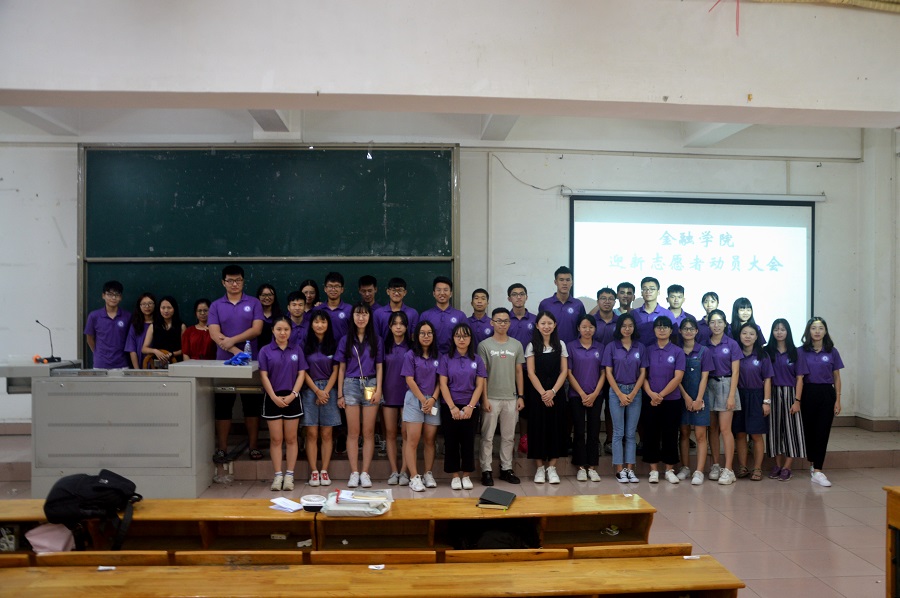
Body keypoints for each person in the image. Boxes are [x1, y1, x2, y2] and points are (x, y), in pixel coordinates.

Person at [208, 265, 265, 463]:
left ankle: (253, 446)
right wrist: (235, 351)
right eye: (230, 280)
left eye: (238, 280)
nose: (234, 284)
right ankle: (222, 448)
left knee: (251, 405)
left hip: (251, 364)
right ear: (223, 282)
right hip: (224, 364)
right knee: (223, 406)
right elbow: (214, 333)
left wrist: (232, 341)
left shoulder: (254, 303)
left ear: (243, 281)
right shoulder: (216, 305)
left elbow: (256, 329)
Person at [336, 302, 383, 488]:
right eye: (358, 314)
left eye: (364, 314)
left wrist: (379, 389)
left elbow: (379, 366)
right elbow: (341, 369)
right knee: (353, 432)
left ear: (370, 317)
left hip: (370, 384)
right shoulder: (345, 340)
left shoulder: (376, 339)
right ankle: (354, 472)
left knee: (368, 432)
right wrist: (340, 394)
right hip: (351, 384)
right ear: (352, 317)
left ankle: (365, 473)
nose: (361, 318)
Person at [259, 316, 307, 492]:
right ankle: (278, 475)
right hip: (273, 398)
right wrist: (273, 397)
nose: (282, 333)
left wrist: (293, 394)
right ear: (273, 330)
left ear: (291, 331)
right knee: (276, 439)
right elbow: (263, 375)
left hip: (292, 398)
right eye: (279, 329)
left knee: (291, 439)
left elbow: (301, 373)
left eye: (286, 329)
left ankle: (289, 476)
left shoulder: (297, 349)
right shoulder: (265, 350)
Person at [477, 307, 525, 486]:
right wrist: (484, 398)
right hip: (491, 397)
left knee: (508, 436)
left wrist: (521, 396)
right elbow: (482, 375)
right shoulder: (484, 345)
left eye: (505, 321)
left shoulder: (516, 345)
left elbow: (519, 372)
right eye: (498, 320)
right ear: (492, 322)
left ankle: (506, 468)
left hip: (511, 397)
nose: (502, 324)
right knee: (487, 437)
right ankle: (486, 470)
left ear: (509, 323)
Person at [438, 322, 487, 491]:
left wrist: (471, 406)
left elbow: (480, 385)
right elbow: (443, 384)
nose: (461, 339)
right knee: (451, 441)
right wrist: (452, 407)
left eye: (465, 336)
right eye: (458, 336)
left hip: (470, 406)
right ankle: (454, 476)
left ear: (470, 338)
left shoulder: (477, 359)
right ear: (453, 338)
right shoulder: (446, 358)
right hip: (449, 406)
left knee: (468, 441)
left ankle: (466, 475)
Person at [798, 316, 844, 487]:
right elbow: (798, 377)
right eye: (813, 328)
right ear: (808, 331)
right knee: (808, 431)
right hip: (807, 393)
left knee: (822, 431)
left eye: (820, 328)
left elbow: (837, 377)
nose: (817, 331)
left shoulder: (832, 351)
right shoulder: (801, 351)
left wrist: (838, 399)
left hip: (826, 394)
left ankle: (818, 469)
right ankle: (813, 462)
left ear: (825, 331)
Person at [525, 311, 569, 484]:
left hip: (556, 393)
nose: (546, 326)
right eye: (543, 323)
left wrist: (553, 392)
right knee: (537, 429)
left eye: (549, 323)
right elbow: (530, 373)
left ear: (555, 325)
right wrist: (544, 393)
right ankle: (539, 468)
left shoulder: (561, 344)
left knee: (556, 428)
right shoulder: (531, 345)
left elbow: (564, 371)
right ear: (537, 325)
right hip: (537, 394)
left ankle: (552, 467)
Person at [602, 313, 647, 483]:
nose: (627, 329)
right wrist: (620, 394)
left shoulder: (640, 347)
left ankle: (630, 469)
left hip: (635, 391)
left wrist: (633, 393)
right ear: (618, 328)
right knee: (618, 432)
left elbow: (643, 373)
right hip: (616, 392)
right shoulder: (611, 347)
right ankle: (619, 470)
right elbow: (608, 372)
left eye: (630, 326)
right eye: (624, 326)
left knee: (630, 433)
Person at [640, 316, 685, 484]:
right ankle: (653, 470)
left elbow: (678, 377)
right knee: (651, 433)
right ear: (654, 330)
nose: (662, 330)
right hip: (650, 399)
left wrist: (661, 395)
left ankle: (669, 469)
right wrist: (651, 394)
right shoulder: (647, 350)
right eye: (658, 327)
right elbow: (643, 375)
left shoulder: (677, 351)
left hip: (672, 400)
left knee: (670, 433)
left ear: (671, 330)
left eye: (665, 327)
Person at [764, 319, 808, 482]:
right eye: (776, 329)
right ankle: (777, 465)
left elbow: (800, 378)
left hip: (790, 394)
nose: (779, 332)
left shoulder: (796, 352)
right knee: (774, 430)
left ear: (788, 331)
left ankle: (787, 466)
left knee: (791, 431)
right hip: (773, 394)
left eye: (782, 329)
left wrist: (797, 401)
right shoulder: (767, 352)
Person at [402, 320, 441, 492]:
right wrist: (423, 400)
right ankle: (414, 477)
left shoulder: (438, 356)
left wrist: (432, 399)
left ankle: (427, 473)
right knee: (412, 440)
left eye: (429, 333)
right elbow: (409, 379)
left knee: (430, 440)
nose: (426, 336)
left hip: (433, 400)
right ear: (416, 336)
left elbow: (441, 381)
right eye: (422, 333)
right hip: (414, 399)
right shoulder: (410, 355)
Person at [302, 310, 340, 487]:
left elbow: (336, 370)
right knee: (311, 433)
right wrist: (317, 391)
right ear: (311, 324)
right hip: (310, 389)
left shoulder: (334, 344)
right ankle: (313, 471)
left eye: (323, 322)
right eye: (316, 322)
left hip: (329, 391)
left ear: (328, 324)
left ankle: (324, 470)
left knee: (326, 433)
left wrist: (325, 392)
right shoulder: (305, 343)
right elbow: (302, 371)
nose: (320, 325)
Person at [732, 322, 773, 482]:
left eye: (751, 334)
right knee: (740, 434)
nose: (747, 336)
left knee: (756, 434)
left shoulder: (763, 355)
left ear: (756, 337)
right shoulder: (735, 354)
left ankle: (757, 468)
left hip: (757, 397)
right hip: (739, 396)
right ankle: (743, 467)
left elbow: (767, 379)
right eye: (744, 333)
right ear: (739, 336)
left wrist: (766, 402)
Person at [704, 309, 741, 485]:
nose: (716, 325)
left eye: (719, 321)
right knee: (712, 429)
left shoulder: (732, 344)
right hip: (709, 386)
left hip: (727, 385)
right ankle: (716, 465)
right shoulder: (704, 344)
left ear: (725, 324)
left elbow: (736, 371)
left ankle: (729, 469)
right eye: (712, 322)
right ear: (708, 324)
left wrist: (731, 395)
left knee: (726, 429)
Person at [566, 314, 605, 482]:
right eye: (584, 327)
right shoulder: (571, 346)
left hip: (596, 395)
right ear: (578, 328)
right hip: (576, 396)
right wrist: (582, 394)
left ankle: (593, 466)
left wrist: (595, 394)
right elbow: (568, 373)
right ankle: (581, 466)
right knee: (579, 431)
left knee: (594, 431)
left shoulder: (601, 347)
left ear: (595, 329)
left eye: (590, 327)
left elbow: (604, 373)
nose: (587, 330)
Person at [676, 316, 713, 485]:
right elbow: (676, 378)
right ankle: (685, 468)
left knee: (700, 435)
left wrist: (698, 399)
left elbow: (705, 377)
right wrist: (686, 397)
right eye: (685, 328)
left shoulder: (704, 351)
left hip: (700, 398)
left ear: (697, 331)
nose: (688, 331)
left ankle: (699, 471)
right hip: (682, 397)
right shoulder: (677, 351)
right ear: (680, 331)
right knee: (684, 433)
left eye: (692, 328)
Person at [382, 311, 411, 485]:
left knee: (406, 434)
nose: (398, 327)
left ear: (406, 327)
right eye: (395, 324)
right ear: (390, 326)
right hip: (389, 395)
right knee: (391, 433)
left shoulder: (412, 347)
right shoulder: (384, 346)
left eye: (401, 324)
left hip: (408, 396)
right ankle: (394, 471)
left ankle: (404, 471)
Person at [591, 287, 617, 454]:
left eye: (610, 298)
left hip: (616, 371)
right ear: (598, 301)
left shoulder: (621, 322)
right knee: (595, 406)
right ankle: (593, 441)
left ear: (615, 301)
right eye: (603, 298)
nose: (607, 301)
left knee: (612, 407)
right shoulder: (591, 321)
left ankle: (610, 439)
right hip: (594, 371)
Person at [84, 280, 130, 369]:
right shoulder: (94, 316)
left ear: (120, 297)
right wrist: (99, 354)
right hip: (100, 365)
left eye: (117, 294)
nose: (113, 298)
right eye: (110, 294)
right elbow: (89, 339)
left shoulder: (127, 316)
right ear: (103, 296)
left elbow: (130, 340)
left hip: (122, 364)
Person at [420, 276, 466, 355]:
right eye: (438, 290)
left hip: (454, 357)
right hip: (431, 357)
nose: (442, 293)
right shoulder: (425, 316)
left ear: (451, 293)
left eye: (445, 290)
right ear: (434, 293)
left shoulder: (460, 316)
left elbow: (466, 338)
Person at [538, 266, 585, 343]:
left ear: (572, 282)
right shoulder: (545, 304)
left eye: (568, 280)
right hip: (551, 347)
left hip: (572, 348)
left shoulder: (578, 304)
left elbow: (583, 327)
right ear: (555, 282)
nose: (565, 283)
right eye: (561, 280)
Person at [141, 295, 186, 367]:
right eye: (163, 308)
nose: (166, 311)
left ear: (174, 309)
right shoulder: (153, 326)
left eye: (169, 308)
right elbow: (144, 349)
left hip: (177, 364)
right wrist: (155, 351)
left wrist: (172, 354)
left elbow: (184, 349)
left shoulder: (181, 326)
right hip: (157, 366)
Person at [631, 277, 675, 345]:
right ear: (641, 292)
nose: (648, 291)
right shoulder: (634, 313)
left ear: (658, 292)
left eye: (652, 289)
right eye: (645, 289)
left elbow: (674, 336)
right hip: (638, 350)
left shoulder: (667, 314)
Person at [313, 272, 353, 342]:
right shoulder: (318, 309)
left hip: (343, 348)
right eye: (330, 286)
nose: (333, 289)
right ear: (325, 289)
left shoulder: (349, 309)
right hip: (322, 348)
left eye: (337, 286)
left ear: (342, 289)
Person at [125, 292, 155, 369]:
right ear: (139, 306)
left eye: (150, 303)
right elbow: (132, 350)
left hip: (157, 366)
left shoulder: (159, 325)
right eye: (144, 304)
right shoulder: (135, 326)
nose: (147, 306)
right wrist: (137, 370)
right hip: (140, 365)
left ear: (155, 305)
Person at [506, 283, 537, 349]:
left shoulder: (535, 319)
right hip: (509, 354)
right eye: (514, 294)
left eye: (522, 294)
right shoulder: (505, 320)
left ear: (526, 297)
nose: (519, 297)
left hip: (531, 355)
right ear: (509, 299)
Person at [255, 284, 282, 349]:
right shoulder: (253, 315)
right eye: (263, 295)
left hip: (274, 351)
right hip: (255, 351)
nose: (267, 298)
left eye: (270, 295)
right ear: (259, 297)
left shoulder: (280, 316)